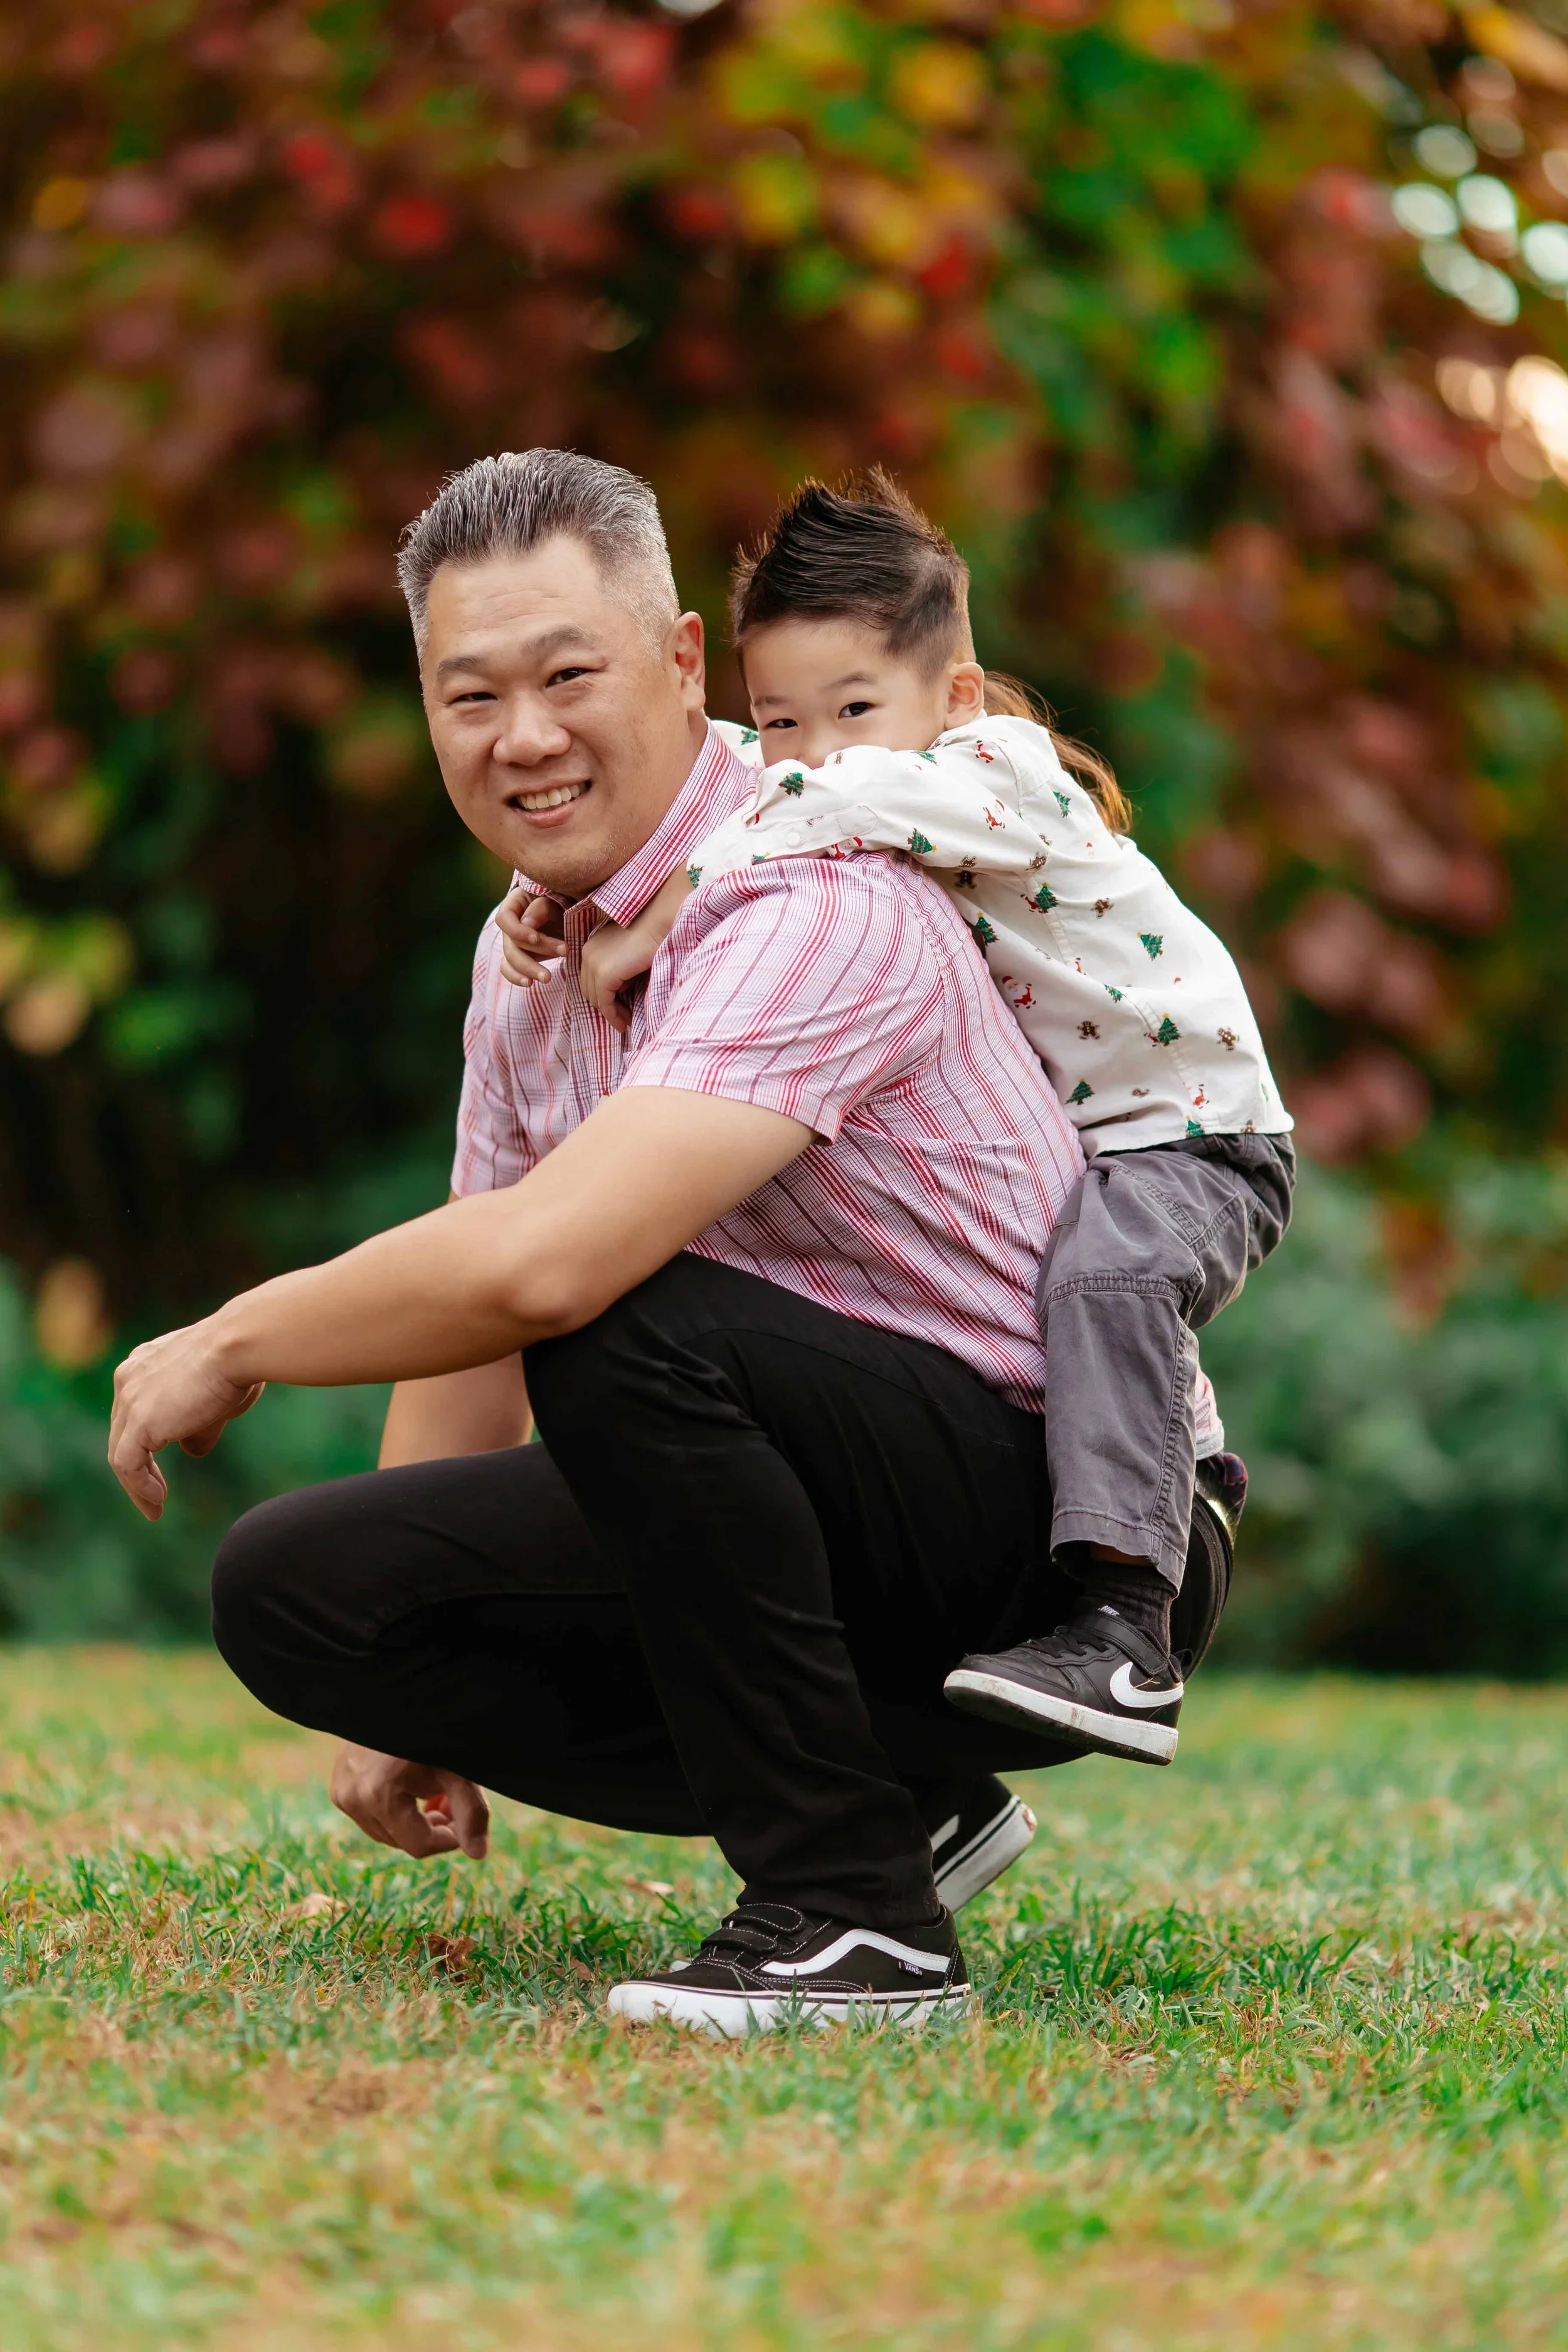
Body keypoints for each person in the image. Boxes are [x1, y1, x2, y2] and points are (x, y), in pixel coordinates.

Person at [107, 449, 1232, 2039]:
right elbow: (480, 1286)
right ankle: (898, 1808)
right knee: (305, 1589)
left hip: (1064, 1524)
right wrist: (391, 1690)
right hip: (809, 1475)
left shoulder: (823, 887)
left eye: (568, 675)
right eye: (470, 696)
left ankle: (851, 1919)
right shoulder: (525, 952)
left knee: (625, 1312)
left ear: (684, 660)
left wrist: (230, 1339)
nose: (524, 736)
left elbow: (545, 1271)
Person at [499, 474, 1291, 1771]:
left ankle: (1125, 1627)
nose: (817, 747)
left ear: (956, 694)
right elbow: (723, 784)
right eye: (783, 716)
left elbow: (809, 804)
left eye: (855, 710)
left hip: (1194, 1133)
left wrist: (653, 914)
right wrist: (557, 888)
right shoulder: (842, 770)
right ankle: (919, 1772)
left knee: (1103, 1280)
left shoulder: (995, 772)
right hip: (1107, 1138)